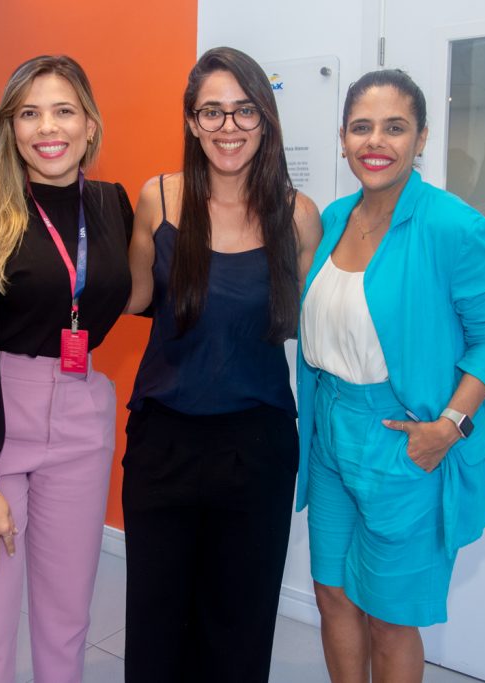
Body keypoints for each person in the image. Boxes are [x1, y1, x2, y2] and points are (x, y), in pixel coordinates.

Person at [296, 69, 485, 682]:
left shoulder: (454, 227)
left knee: (390, 616)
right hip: (330, 436)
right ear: (342, 138)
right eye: (362, 127)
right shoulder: (334, 219)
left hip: (403, 439)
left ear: (421, 138)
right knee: (332, 592)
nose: (377, 142)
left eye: (395, 128)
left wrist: (449, 426)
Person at [0, 55, 133, 683]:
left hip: (80, 417)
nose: (49, 127)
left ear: (90, 125)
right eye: (30, 112)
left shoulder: (111, 205)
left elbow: (129, 291)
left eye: (64, 110)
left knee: (67, 620)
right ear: (10, 128)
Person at [122, 46, 322, 683]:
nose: (228, 127)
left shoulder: (298, 216)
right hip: (165, 442)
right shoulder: (156, 199)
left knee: (239, 622)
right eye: (212, 112)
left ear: (265, 119)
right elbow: (132, 299)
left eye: (243, 111)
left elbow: (310, 321)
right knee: (157, 618)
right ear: (190, 120)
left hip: (256, 446)